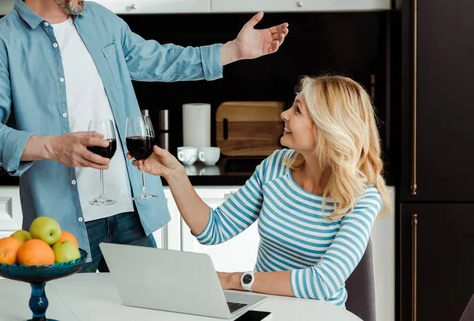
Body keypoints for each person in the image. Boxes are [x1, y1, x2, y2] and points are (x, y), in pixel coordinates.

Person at [0, 0, 289, 272]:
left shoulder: (101, 21)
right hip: (62, 229)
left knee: (148, 309)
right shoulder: (0, 43)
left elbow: (160, 60)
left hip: (131, 212)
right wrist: (53, 146)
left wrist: (232, 51)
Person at [129, 75, 392, 308]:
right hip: (265, 309)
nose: (284, 114)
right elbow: (213, 229)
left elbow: (322, 282)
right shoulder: (276, 167)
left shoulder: (363, 197)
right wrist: (174, 174)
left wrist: (234, 280)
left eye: (297, 110)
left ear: (328, 128)